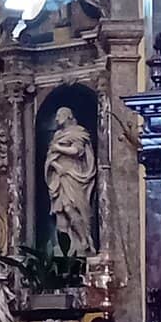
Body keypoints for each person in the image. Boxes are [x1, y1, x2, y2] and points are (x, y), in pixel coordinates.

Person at [44, 107, 97, 256]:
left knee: (71, 208)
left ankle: (84, 241)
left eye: (59, 115)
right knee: (60, 214)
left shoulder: (78, 132)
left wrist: (58, 148)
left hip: (73, 174)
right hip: (59, 176)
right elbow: (50, 157)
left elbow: (76, 151)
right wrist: (55, 165)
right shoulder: (58, 134)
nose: (56, 119)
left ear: (68, 116)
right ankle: (63, 249)